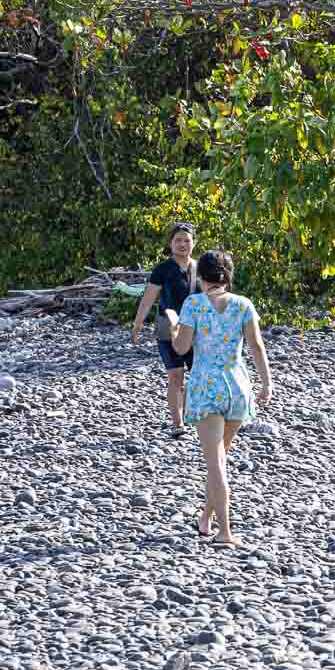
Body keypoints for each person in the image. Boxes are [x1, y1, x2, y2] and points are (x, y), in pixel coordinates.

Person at [168, 250, 271, 547]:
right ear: (227, 275)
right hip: (238, 387)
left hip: (206, 387)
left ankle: (225, 531)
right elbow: (257, 346)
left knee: (215, 464)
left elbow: (181, 347)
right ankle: (206, 518)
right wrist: (266, 384)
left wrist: (174, 327)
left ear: (201, 277)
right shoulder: (243, 304)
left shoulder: (193, 304)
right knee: (221, 458)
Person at [129, 223, 198, 435]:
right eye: (178, 240)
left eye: (187, 240)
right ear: (170, 243)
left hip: (196, 329)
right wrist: (138, 323)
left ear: (193, 243)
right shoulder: (163, 269)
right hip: (168, 328)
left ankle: (188, 413)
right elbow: (149, 298)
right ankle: (178, 423)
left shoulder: (200, 268)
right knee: (175, 375)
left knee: (197, 375)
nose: (183, 244)